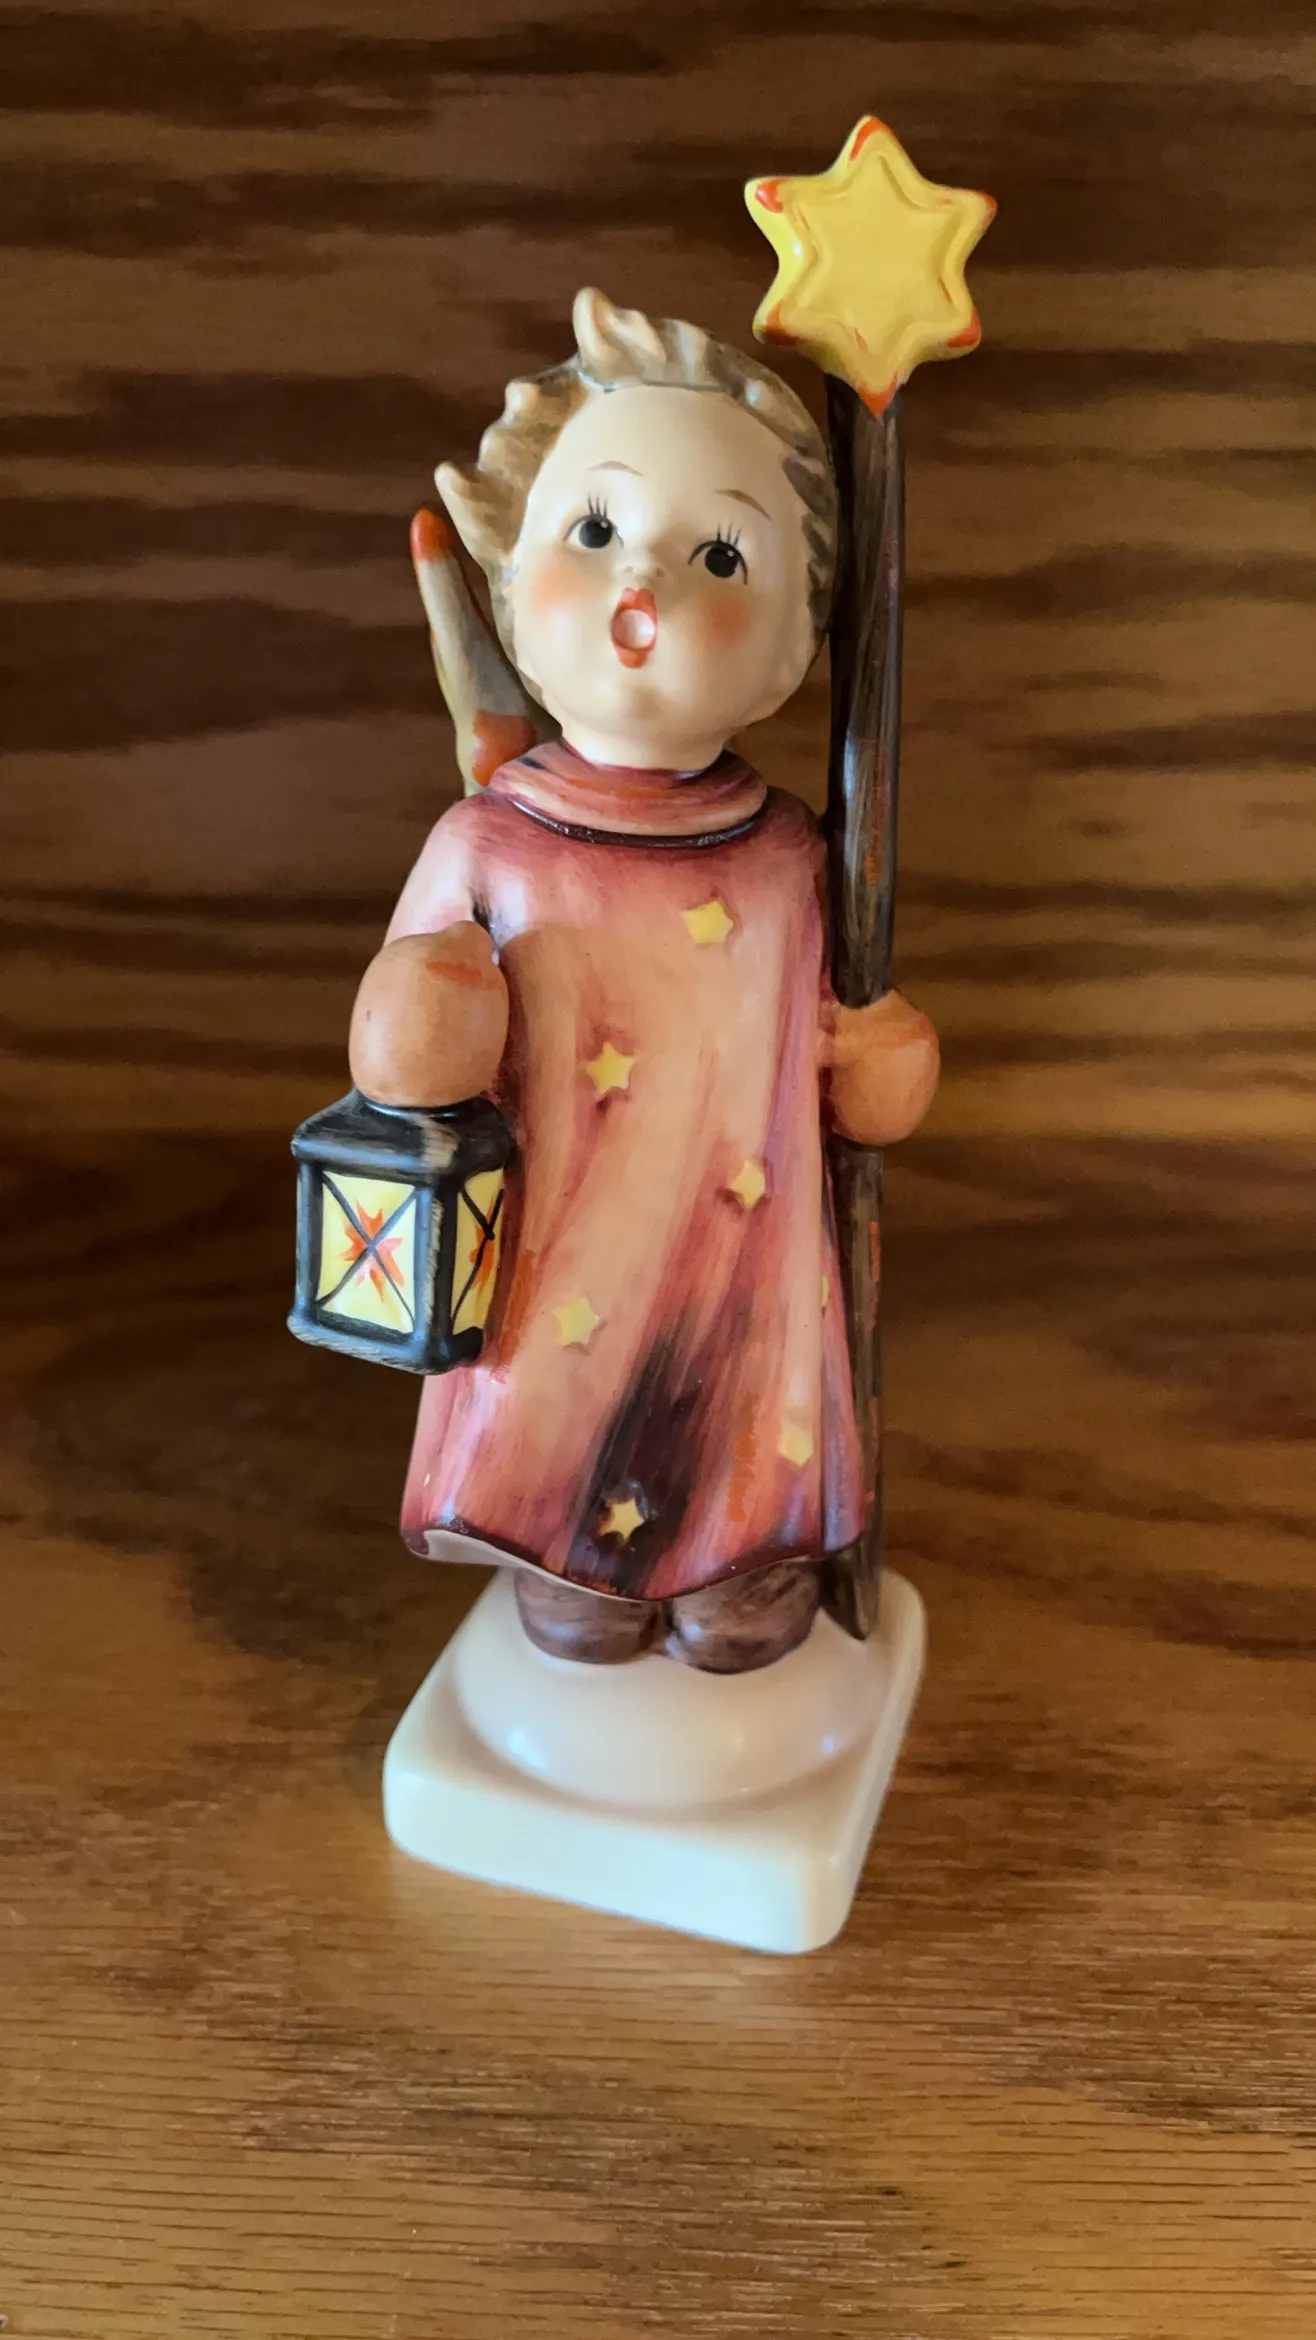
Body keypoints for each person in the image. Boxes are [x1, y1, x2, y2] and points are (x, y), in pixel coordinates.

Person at [349, 289, 938, 1672]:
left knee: (740, 1401)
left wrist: (879, 1058)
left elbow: (848, 1070)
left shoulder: (789, 859)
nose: (644, 587)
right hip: (564, 1243)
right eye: (597, 529)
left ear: (797, 637)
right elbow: (392, 1051)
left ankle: (740, 1558)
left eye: (721, 554)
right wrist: (431, 1007)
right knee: (566, 1417)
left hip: (740, 1255)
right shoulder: (490, 844)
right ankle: (576, 1564)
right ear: (512, 575)